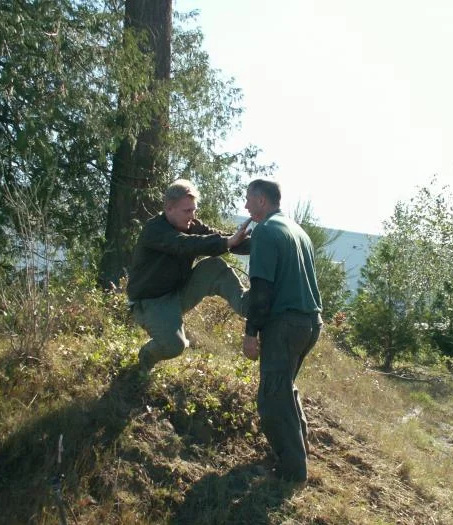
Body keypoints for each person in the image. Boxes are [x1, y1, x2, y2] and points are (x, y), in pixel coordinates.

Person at [242, 177, 323, 483]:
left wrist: (251, 333)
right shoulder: (297, 231)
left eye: (249, 199)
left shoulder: (265, 230)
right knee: (284, 388)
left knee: (271, 398)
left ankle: (292, 471)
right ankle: (299, 449)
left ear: (262, 201)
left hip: (285, 325)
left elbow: (261, 288)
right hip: (311, 323)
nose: (246, 205)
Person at [127, 179, 251, 372]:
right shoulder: (155, 230)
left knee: (214, 266)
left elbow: (219, 237)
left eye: (194, 210)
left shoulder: (191, 224)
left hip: (177, 294)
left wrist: (260, 244)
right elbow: (185, 244)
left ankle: (248, 305)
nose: (192, 216)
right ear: (169, 209)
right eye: (187, 211)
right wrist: (227, 242)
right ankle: (147, 356)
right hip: (150, 303)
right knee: (175, 346)